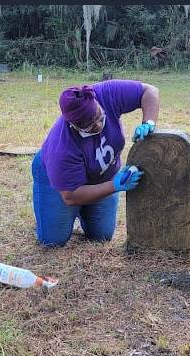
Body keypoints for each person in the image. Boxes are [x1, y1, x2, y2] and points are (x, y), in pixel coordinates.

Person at [32, 79, 160, 247]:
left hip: (99, 175)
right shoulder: (61, 147)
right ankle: (61, 213)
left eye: (99, 117)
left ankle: (83, 211)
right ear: (73, 125)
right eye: (90, 125)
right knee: (53, 241)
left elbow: (149, 91)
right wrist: (114, 185)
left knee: (102, 236)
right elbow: (70, 196)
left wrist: (149, 122)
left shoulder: (105, 94)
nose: (98, 125)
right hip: (61, 182)